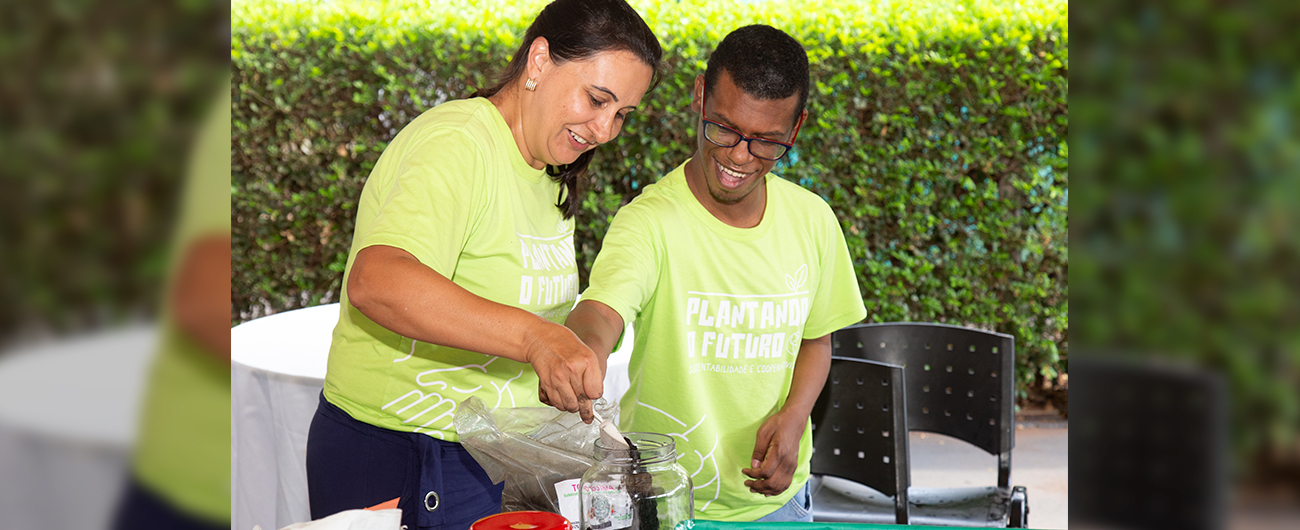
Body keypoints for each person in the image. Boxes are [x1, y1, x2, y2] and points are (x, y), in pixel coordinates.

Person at [304, 0, 661, 528]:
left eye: (622, 115)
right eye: (596, 99)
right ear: (538, 62)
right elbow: (377, 279)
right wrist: (536, 338)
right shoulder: (458, 144)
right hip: (402, 454)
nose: (606, 129)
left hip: (484, 459)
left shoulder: (547, 169)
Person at [565, 25, 866, 521]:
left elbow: (816, 341)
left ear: (795, 128)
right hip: (665, 500)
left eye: (767, 141)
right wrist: (579, 351)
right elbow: (602, 311)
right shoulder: (649, 221)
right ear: (701, 94)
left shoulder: (813, 221)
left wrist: (795, 418)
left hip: (780, 503)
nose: (739, 156)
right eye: (723, 128)